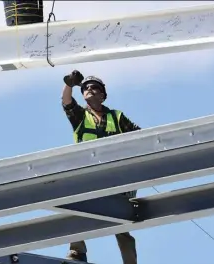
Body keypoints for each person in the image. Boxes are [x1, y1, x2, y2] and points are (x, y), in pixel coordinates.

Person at [61, 70, 141, 264]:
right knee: (77, 207)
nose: (89, 90)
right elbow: (66, 102)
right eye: (86, 88)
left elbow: (141, 137)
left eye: (95, 87)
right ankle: (77, 252)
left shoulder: (117, 117)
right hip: (90, 174)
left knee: (121, 221)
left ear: (103, 95)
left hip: (117, 176)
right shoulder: (80, 116)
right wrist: (69, 84)